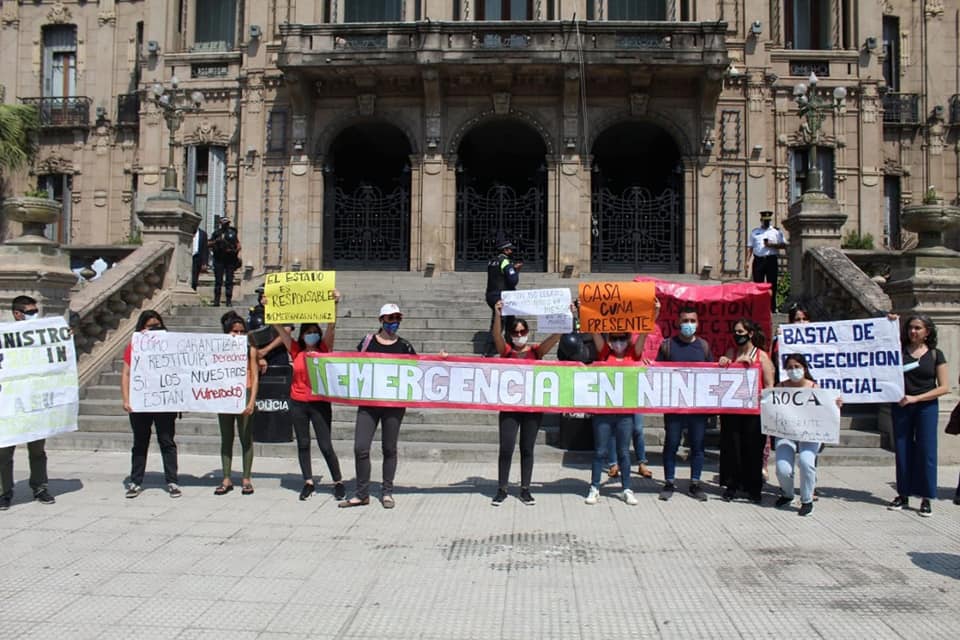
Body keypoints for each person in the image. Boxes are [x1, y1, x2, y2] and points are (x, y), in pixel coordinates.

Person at [340, 303, 417, 509]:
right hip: (369, 404)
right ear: (381, 320)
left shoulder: (405, 346)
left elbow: (418, 371)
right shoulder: (367, 342)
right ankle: (362, 493)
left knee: (389, 448)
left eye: (397, 319)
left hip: (393, 405)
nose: (394, 323)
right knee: (361, 447)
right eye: (390, 319)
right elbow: (354, 365)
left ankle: (387, 492)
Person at [489, 300, 562, 506]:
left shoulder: (536, 351)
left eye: (523, 332)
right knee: (506, 447)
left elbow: (554, 338)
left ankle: (525, 489)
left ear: (528, 331)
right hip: (510, 408)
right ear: (511, 334)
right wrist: (497, 314)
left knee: (527, 448)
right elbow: (496, 336)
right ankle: (502, 488)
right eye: (516, 332)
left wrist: (566, 317)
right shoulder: (506, 351)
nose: (519, 335)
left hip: (531, 408)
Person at [277, 291, 346, 501]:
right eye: (308, 332)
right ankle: (307, 480)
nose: (312, 335)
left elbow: (331, 327)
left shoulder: (324, 348)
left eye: (314, 331)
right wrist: (271, 308)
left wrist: (334, 305)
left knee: (325, 445)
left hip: (319, 404)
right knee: (303, 443)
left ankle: (338, 481)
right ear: (302, 335)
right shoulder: (296, 351)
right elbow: (280, 330)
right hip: (298, 402)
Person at [584, 325, 655, 506]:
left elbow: (644, 333)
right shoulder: (605, 353)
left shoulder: (633, 353)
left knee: (624, 452)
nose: (618, 342)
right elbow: (594, 331)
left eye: (621, 338)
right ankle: (594, 488)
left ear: (628, 338)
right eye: (614, 338)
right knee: (600, 452)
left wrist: (653, 314)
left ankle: (626, 489)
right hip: (604, 413)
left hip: (625, 414)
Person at [888, 315, 949, 517]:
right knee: (903, 448)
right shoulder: (898, 352)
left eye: (917, 328)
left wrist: (917, 398)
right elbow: (879, 342)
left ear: (927, 332)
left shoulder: (935, 355)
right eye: (910, 328)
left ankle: (926, 497)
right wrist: (890, 321)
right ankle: (903, 493)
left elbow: (944, 387)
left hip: (926, 407)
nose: (913, 332)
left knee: (926, 450)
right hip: (902, 405)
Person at [0, 296, 56, 510]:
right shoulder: (4, 335)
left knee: (37, 450)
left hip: (34, 402)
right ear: (17, 313)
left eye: (35, 311)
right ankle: (4, 492)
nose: (35, 314)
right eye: (30, 311)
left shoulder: (42, 336)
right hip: (9, 402)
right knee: (4, 452)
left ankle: (40, 487)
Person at [120, 310, 181, 498]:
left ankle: (172, 480)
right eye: (150, 327)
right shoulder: (135, 346)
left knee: (167, 441)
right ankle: (136, 481)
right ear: (142, 328)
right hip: (141, 401)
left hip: (164, 402)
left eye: (157, 326)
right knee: (140, 442)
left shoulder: (171, 346)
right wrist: (126, 399)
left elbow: (180, 371)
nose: (155, 330)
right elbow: (126, 374)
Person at [656, 305, 713, 502]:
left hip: (697, 408)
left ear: (698, 323)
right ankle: (669, 482)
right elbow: (658, 372)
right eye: (685, 321)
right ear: (678, 322)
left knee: (697, 445)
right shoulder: (668, 345)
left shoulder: (704, 347)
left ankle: (695, 484)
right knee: (671, 444)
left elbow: (712, 375)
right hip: (674, 406)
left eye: (692, 321)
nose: (689, 324)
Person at [774, 354, 839, 516]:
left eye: (797, 367)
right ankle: (787, 494)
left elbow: (826, 409)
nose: (793, 370)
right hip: (786, 433)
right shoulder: (780, 386)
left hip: (810, 433)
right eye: (789, 367)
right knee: (783, 468)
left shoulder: (814, 388)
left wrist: (836, 404)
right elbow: (772, 409)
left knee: (806, 462)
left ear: (804, 368)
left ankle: (807, 499)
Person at [717, 318, 775, 504]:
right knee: (732, 449)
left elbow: (769, 385)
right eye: (735, 332)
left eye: (741, 332)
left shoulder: (762, 356)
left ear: (750, 334)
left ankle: (754, 488)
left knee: (753, 450)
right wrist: (726, 362)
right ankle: (732, 485)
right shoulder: (731, 352)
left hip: (753, 412)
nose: (737, 335)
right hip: (732, 410)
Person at [214, 313, 260, 496]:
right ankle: (226, 477)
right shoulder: (219, 350)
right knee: (226, 437)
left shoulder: (250, 350)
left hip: (244, 392)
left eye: (242, 332)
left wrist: (251, 401)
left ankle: (246, 478)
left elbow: (255, 377)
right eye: (235, 331)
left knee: (245, 437)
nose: (239, 335)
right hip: (224, 395)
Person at [484, 236, 521, 354]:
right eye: (510, 249)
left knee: (509, 319)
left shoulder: (492, 261)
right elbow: (513, 280)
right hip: (502, 296)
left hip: (490, 294)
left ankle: (510, 345)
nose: (511, 251)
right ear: (505, 250)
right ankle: (490, 349)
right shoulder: (505, 262)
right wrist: (515, 271)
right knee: (500, 322)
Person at [747, 210, 786, 312]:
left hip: (771, 259)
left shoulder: (776, 232)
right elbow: (750, 247)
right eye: (765, 221)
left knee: (772, 284)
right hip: (758, 260)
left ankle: (772, 307)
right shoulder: (755, 232)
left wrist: (771, 245)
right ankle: (759, 307)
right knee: (758, 284)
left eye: (768, 221)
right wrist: (747, 261)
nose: (766, 222)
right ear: (761, 220)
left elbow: (784, 245)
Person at [208, 216, 241, 307]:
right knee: (218, 281)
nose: (226, 225)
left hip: (230, 260)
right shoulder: (216, 233)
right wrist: (216, 241)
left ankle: (228, 300)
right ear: (221, 223)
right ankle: (216, 300)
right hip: (219, 259)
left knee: (229, 280)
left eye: (227, 223)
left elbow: (238, 245)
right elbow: (208, 243)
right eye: (224, 223)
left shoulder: (232, 233)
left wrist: (234, 251)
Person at [190, 226, 209, 291]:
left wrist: (205, 263)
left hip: (197, 258)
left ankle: (193, 290)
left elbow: (205, 249)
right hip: (188, 256)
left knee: (194, 278)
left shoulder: (203, 234)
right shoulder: (187, 231)